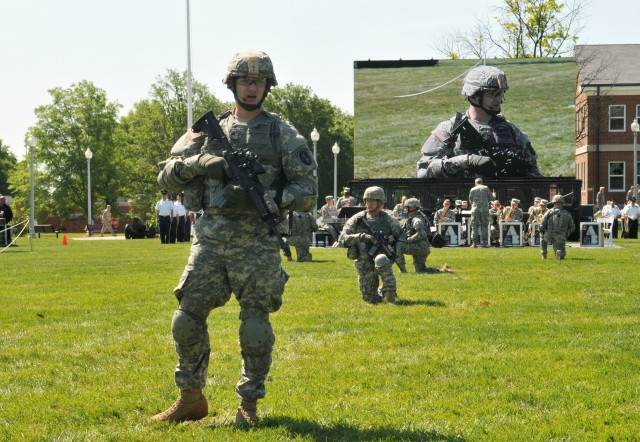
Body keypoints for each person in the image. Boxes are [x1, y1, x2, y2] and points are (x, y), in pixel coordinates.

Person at [153, 49, 317, 425]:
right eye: (245, 80)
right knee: (186, 320)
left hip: (257, 242)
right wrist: (199, 162)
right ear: (233, 84)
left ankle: (249, 404)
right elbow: (165, 175)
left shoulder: (282, 133)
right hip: (209, 240)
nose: (252, 88)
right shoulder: (206, 130)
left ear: (268, 87)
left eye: (259, 82)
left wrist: (273, 198)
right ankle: (190, 398)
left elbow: (308, 190)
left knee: (255, 325)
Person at [417, 65, 541, 179]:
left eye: (500, 94)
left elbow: (533, 172)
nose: (498, 100)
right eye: (493, 94)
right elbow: (423, 172)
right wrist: (467, 161)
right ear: (474, 96)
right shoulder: (449, 129)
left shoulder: (512, 131)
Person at [338, 186, 406, 304]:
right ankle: (380, 292)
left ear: (379, 202)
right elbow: (342, 239)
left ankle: (390, 292)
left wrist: (397, 251)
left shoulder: (389, 220)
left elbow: (401, 237)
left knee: (381, 259)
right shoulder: (358, 219)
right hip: (364, 264)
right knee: (370, 299)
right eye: (366, 201)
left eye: (372, 201)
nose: (368, 204)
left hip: (383, 259)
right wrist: (361, 237)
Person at [402, 198, 452, 274]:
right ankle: (443, 270)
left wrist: (408, 240)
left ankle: (402, 270)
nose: (405, 210)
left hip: (420, 247)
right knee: (420, 270)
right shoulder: (414, 218)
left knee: (399, 247)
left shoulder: (417, 220)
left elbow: (422, 234)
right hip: (421, 246)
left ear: (412, 208)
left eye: (407, 208)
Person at [540, 194, 575, 260]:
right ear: (562, 203)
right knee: (560, 248)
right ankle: (560, 253)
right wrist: (567, 233)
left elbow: (542, 224)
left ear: (554, 202)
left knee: (542, 236)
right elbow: (572, 227)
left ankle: (544, 254)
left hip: (549, 236)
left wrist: (542, 230)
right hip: (561, 237)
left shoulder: (548, 212)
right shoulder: (567, 214)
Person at [468, 178, 492, 247]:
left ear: (475, 183)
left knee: (474, 226)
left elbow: (470, 200)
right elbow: (491, 198)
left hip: (475, 210)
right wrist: (494, 195)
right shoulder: (486, 188)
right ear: (482, 182)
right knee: (484, 226)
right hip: (484, 210)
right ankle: (484, 243)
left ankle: (474, 243)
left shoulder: (472, 189)